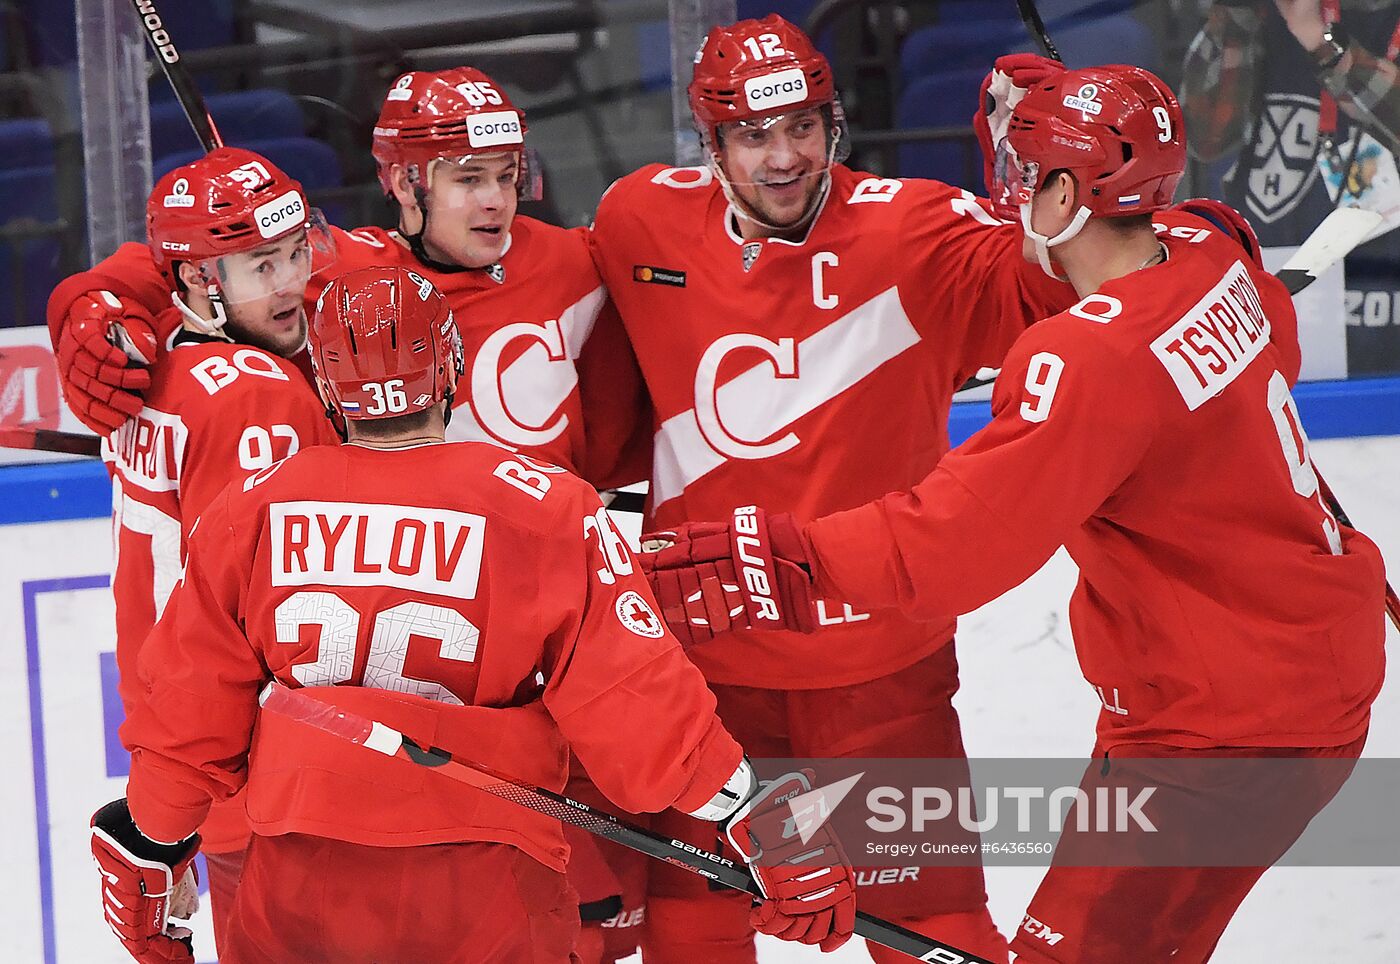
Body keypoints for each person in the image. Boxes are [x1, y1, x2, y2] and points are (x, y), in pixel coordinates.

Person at [640, 64, 1388, 963]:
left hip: (1220, 729)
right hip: (1304, 666)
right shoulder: (1209, 255)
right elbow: (1234, 273)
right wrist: (1069, 129)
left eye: (1027, 172)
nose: (1010, 193)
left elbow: (953, 543)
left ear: (1070, 192)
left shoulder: (1086, 359)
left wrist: (787, 553)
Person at [88, 266, 857, 964]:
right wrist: (767, 824)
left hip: (301, 879)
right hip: (488, 876)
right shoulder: (549, 507)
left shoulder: (252, 507)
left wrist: (150, 839)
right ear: (452, 369)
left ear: (324, 384)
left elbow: (189, 714)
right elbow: (640, 705)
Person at [47, 67, 647, 959]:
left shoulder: (550, 264)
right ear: (406, 185)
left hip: (494, 680)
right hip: (347, 730)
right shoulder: (307, 331)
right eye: (464, 177)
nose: (494, 201)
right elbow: (255, 600)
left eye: (505, 174)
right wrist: (93, 295)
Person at [586, 15, 1075, 962]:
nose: (783, 158)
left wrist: (1053, 172)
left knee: (932, 932)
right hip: (707, 677)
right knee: (696, 932)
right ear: (710, 143)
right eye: (754, 136)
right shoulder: (637, 217)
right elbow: (520, 292)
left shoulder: (920, 230)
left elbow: (1072, 289)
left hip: (881, 674)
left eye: (803, 127)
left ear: (835, 123)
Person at [102, 145, 340, 948]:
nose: (291, 282)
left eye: (295, 253)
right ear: (200, 281)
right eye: (259, 265)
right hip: (266, 769)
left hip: (191, 757)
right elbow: (265, 611)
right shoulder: (260, 395)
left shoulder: (161, 374)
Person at [1182, 0, 1400, 376]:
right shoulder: (1259, 17)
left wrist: (1322, 40)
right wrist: (1236, 14)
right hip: (1273, 302)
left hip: (1380, 300)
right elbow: (1205, 137)